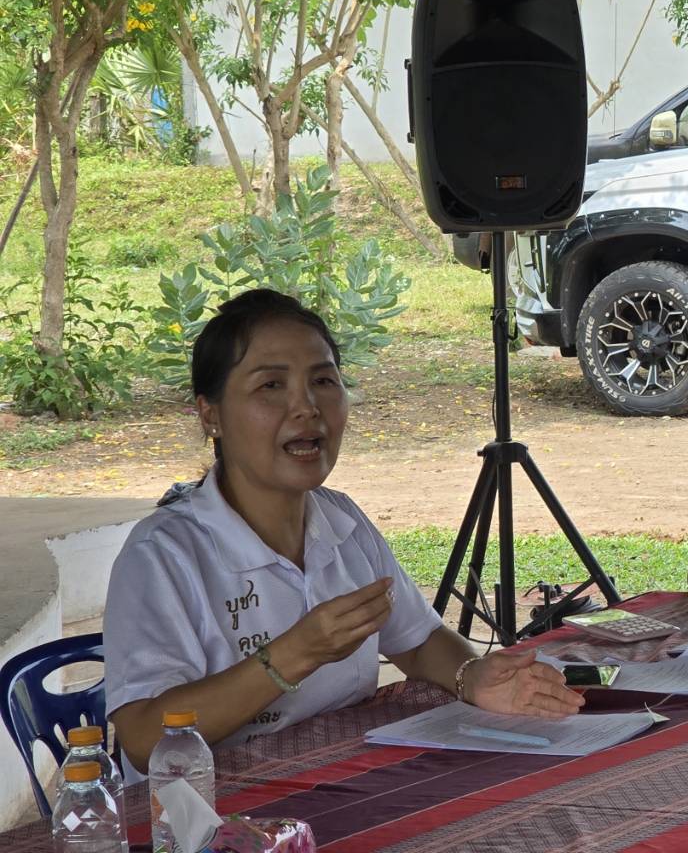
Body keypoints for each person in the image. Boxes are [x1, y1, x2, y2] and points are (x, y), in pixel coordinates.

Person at [105, 290, 583, 780]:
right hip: (208, 812)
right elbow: (144, 739)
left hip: (339, 778)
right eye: (271, 385)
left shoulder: (341, 521)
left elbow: (417, 642)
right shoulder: (164, 554)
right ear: (211, 416)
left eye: (323, 380)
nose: (306, 407)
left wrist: (472, 676)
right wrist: (293, 655)